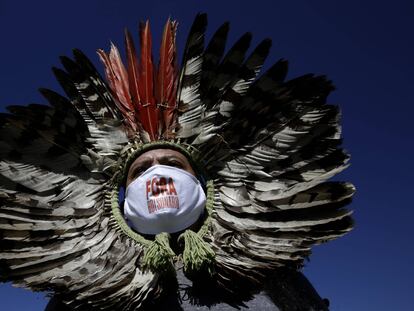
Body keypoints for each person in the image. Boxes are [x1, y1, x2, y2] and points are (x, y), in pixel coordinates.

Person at [1, 14, 354, 311]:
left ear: (201, 179)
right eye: (140, 169)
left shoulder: (277, 279)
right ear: (122, 192)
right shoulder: (78, 296)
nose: (157, 172)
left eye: (172, 162)